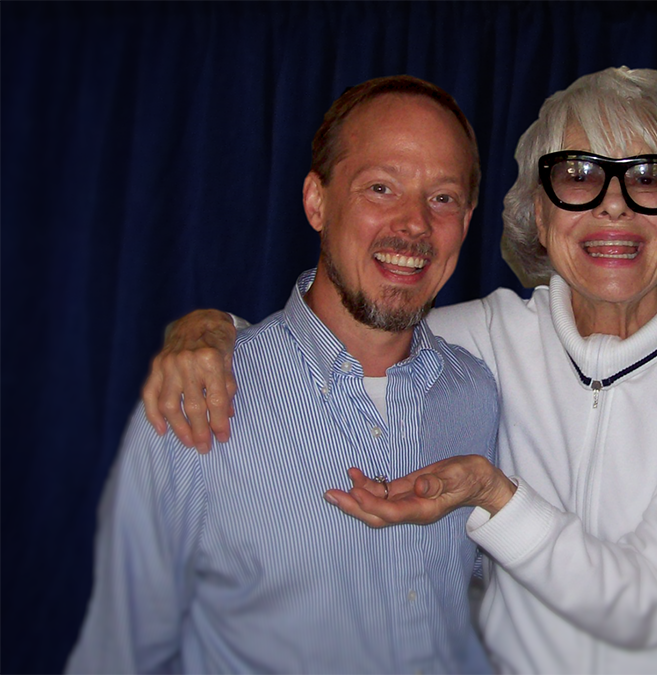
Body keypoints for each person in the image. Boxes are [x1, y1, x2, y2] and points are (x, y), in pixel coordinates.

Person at [144, 67, 657, 674]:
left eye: (648, 176)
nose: (614, 206)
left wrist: (493, 493)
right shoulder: (485, 337)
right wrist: (210, 330)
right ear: (538, 213)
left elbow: (647, 604)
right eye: (578, 174)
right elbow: (339, 337)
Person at [67, 75, 502, 674]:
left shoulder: (477, 394)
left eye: (443, 198)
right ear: (317, 201)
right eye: (381, 188)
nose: (415, 224)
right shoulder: (196, 401)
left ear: (468, 219)